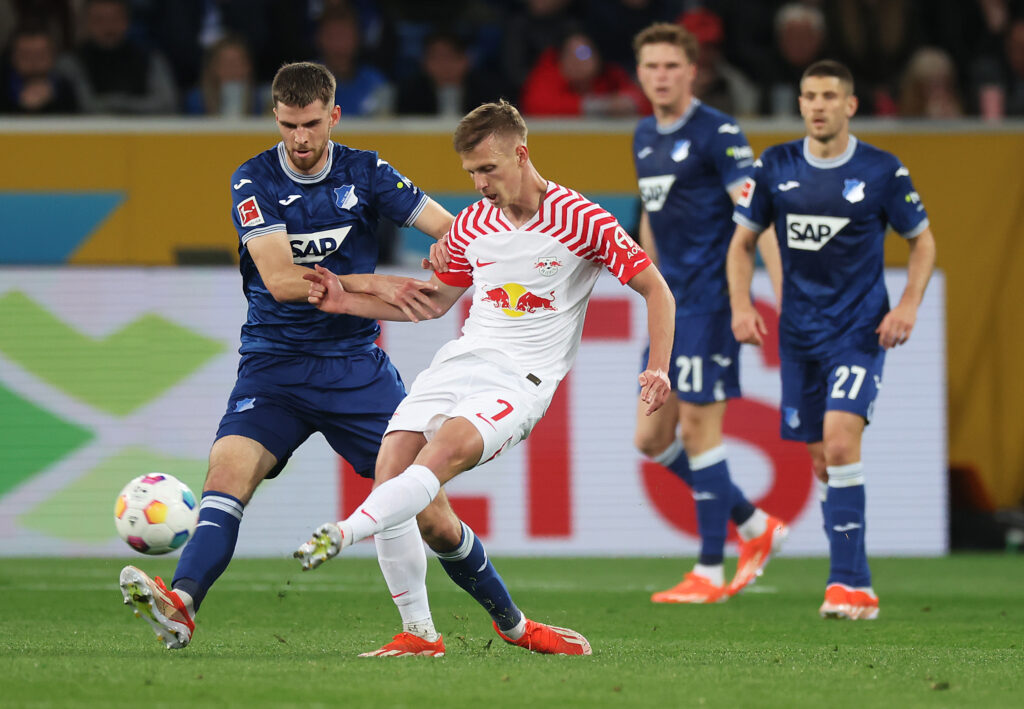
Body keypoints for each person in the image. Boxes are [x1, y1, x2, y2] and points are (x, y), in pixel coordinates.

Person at [117, 63, 541, 660]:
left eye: (312, 124)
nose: (300, 138)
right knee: (226, 476)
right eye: (289, 125)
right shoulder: (253, 180)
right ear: (275, 118)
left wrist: (465, 248)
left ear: (333, 116)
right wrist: (380, 284)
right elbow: (283, 280)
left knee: (432, 517)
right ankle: (182, 604)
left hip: (355, 370)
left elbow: (452, 228)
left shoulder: (366, 172)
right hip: (274, 365)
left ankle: (513, 621)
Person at [295, 99, 676, 654]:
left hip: (520, 382)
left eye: (488, 169)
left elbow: (656, 289)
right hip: (460, 362)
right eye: (471, 172)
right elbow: (431, 303)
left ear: (520, 154)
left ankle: (344, 532)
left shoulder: (583, 219)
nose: (479, 183)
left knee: (437, 458)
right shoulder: (472, 224)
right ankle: (422, 634)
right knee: (396, 475)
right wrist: (344, 301)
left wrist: (658, 366)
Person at [726, 59, 937, 620]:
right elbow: (742, 242)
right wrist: (743, 306)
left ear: (850, 106)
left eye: (828, 96)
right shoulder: (775, 166)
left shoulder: (881, 171)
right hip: (799, 335)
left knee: (842, 443)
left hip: (859, 331)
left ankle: (848, 582)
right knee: (823, 461)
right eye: (808, 96)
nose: (817, 105)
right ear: (800, 104)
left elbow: (922, 242)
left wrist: (910, 305)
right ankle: (854, 582)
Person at [631, 22, 787, 605]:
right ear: (640, 73)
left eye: (672, 65)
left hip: (714, 301)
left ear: (692, 71)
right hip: (672, 305)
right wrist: (645, 283)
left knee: (699, 430)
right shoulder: (644, 135)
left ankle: (709, 571)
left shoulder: (719, 133)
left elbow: (756, 215)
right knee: (651, 437)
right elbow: (650, 217)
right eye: (652, 66)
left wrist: (757, 297)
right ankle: (753, 523)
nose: (662, 76)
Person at [56, 0, 177, 114]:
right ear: (86, 23)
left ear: (127, 21)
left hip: (146, 133)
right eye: (99, 20)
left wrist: (118, 104)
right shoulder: (71, 62)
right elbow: (83, 106)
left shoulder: (150, 58)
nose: (108, 27)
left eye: (115, 19)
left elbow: (167, 104)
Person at [520, 29, 649, 117]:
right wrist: (599, 106)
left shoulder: (612, 76)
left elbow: (643, 101)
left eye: (583, 53)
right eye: (568, 54)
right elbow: (536, 105)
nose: (575, 61)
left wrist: (630, 103)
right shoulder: (547, 74)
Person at [0, 23, 78, 114]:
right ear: (12, 57)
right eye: (25, 55)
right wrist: (23, 107)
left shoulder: (66, 88)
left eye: (41, 55)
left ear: (53, 56)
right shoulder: (3, 87)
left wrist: (50, 103)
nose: (33, 62)